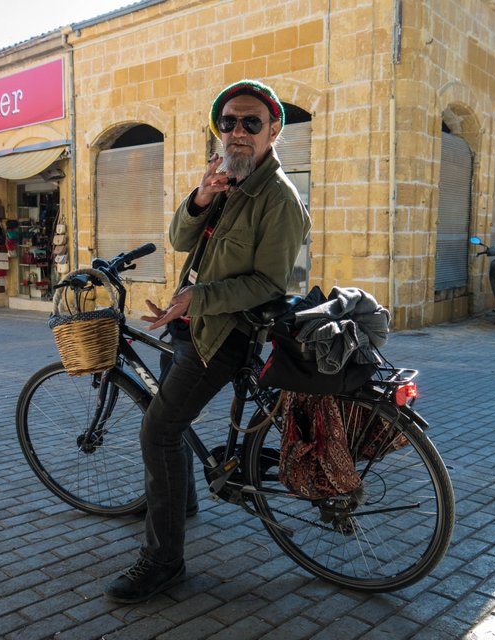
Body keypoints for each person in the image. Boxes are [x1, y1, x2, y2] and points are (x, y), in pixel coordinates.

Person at [104, 80, 311, 603]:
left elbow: (268, 284)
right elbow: (178, 240)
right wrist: (200, 197)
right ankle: (183, 501)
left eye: (250, 123)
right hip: (191, 323)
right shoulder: (227, 181)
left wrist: (199, 297)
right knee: (171, 421)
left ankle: (163, 561)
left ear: (274, 131)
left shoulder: (279, 199)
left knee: (158, 432)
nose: (237, 133)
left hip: (224, 335)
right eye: (228, 123)